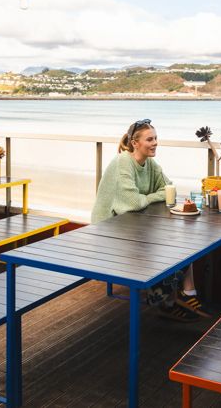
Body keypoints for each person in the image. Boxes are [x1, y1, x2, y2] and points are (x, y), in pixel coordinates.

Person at [91, 119, 209, 321]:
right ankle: (171, 299)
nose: (155, 143)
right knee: (163, 246)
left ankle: (177, 297)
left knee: (181, 241)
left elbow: (169, 188)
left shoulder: (149, 163)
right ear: (135, 143)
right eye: (149, 139)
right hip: (108, 231)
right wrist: (152, 197)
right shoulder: (123, 162)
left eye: (156, 138)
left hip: (130, 225)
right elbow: (134, 203)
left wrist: (149, 197)